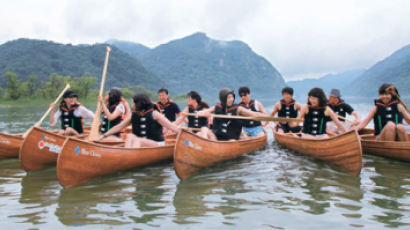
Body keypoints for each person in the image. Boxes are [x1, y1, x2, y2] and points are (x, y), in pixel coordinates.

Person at [100, 93, 181, 147]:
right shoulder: (133, 116)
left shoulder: (154, 114)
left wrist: (184, 135)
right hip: (139, 144)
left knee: (138, 140)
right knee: (130, 135)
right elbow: (119, 127)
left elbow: (171, 126)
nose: (132, 105)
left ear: (139, 104)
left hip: (157, 143)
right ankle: (127, 154)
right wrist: (103, 136)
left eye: (133, 103)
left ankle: (129, 156)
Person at [198, 88, 266, 141]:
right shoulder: (217, 107)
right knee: (204, 129)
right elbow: (206, 111)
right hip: (216, 138)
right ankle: (206, 144)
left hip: (231, 139)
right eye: (229, 97)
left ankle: (209, 147)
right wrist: (203, 113)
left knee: (232, 141)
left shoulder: (238, 109)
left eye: (232, 97)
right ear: (223, 98)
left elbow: (253, 114)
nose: (231, 99)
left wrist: (265, 116)